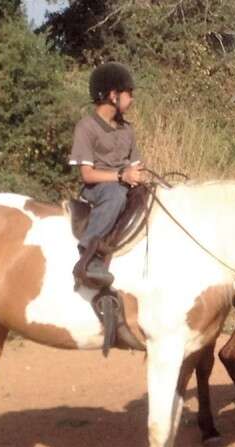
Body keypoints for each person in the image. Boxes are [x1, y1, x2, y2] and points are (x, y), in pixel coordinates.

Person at [69, 62, 146, 289]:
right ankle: (89, 253)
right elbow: (87, 174)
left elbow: (137, 165)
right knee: (115, 196)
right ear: (113, 95)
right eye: (128, 93)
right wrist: (122, 176)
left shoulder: (127, 130)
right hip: (99, 188)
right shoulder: (86, 127)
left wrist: (141, 177)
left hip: (123, 184)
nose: (131, 99)